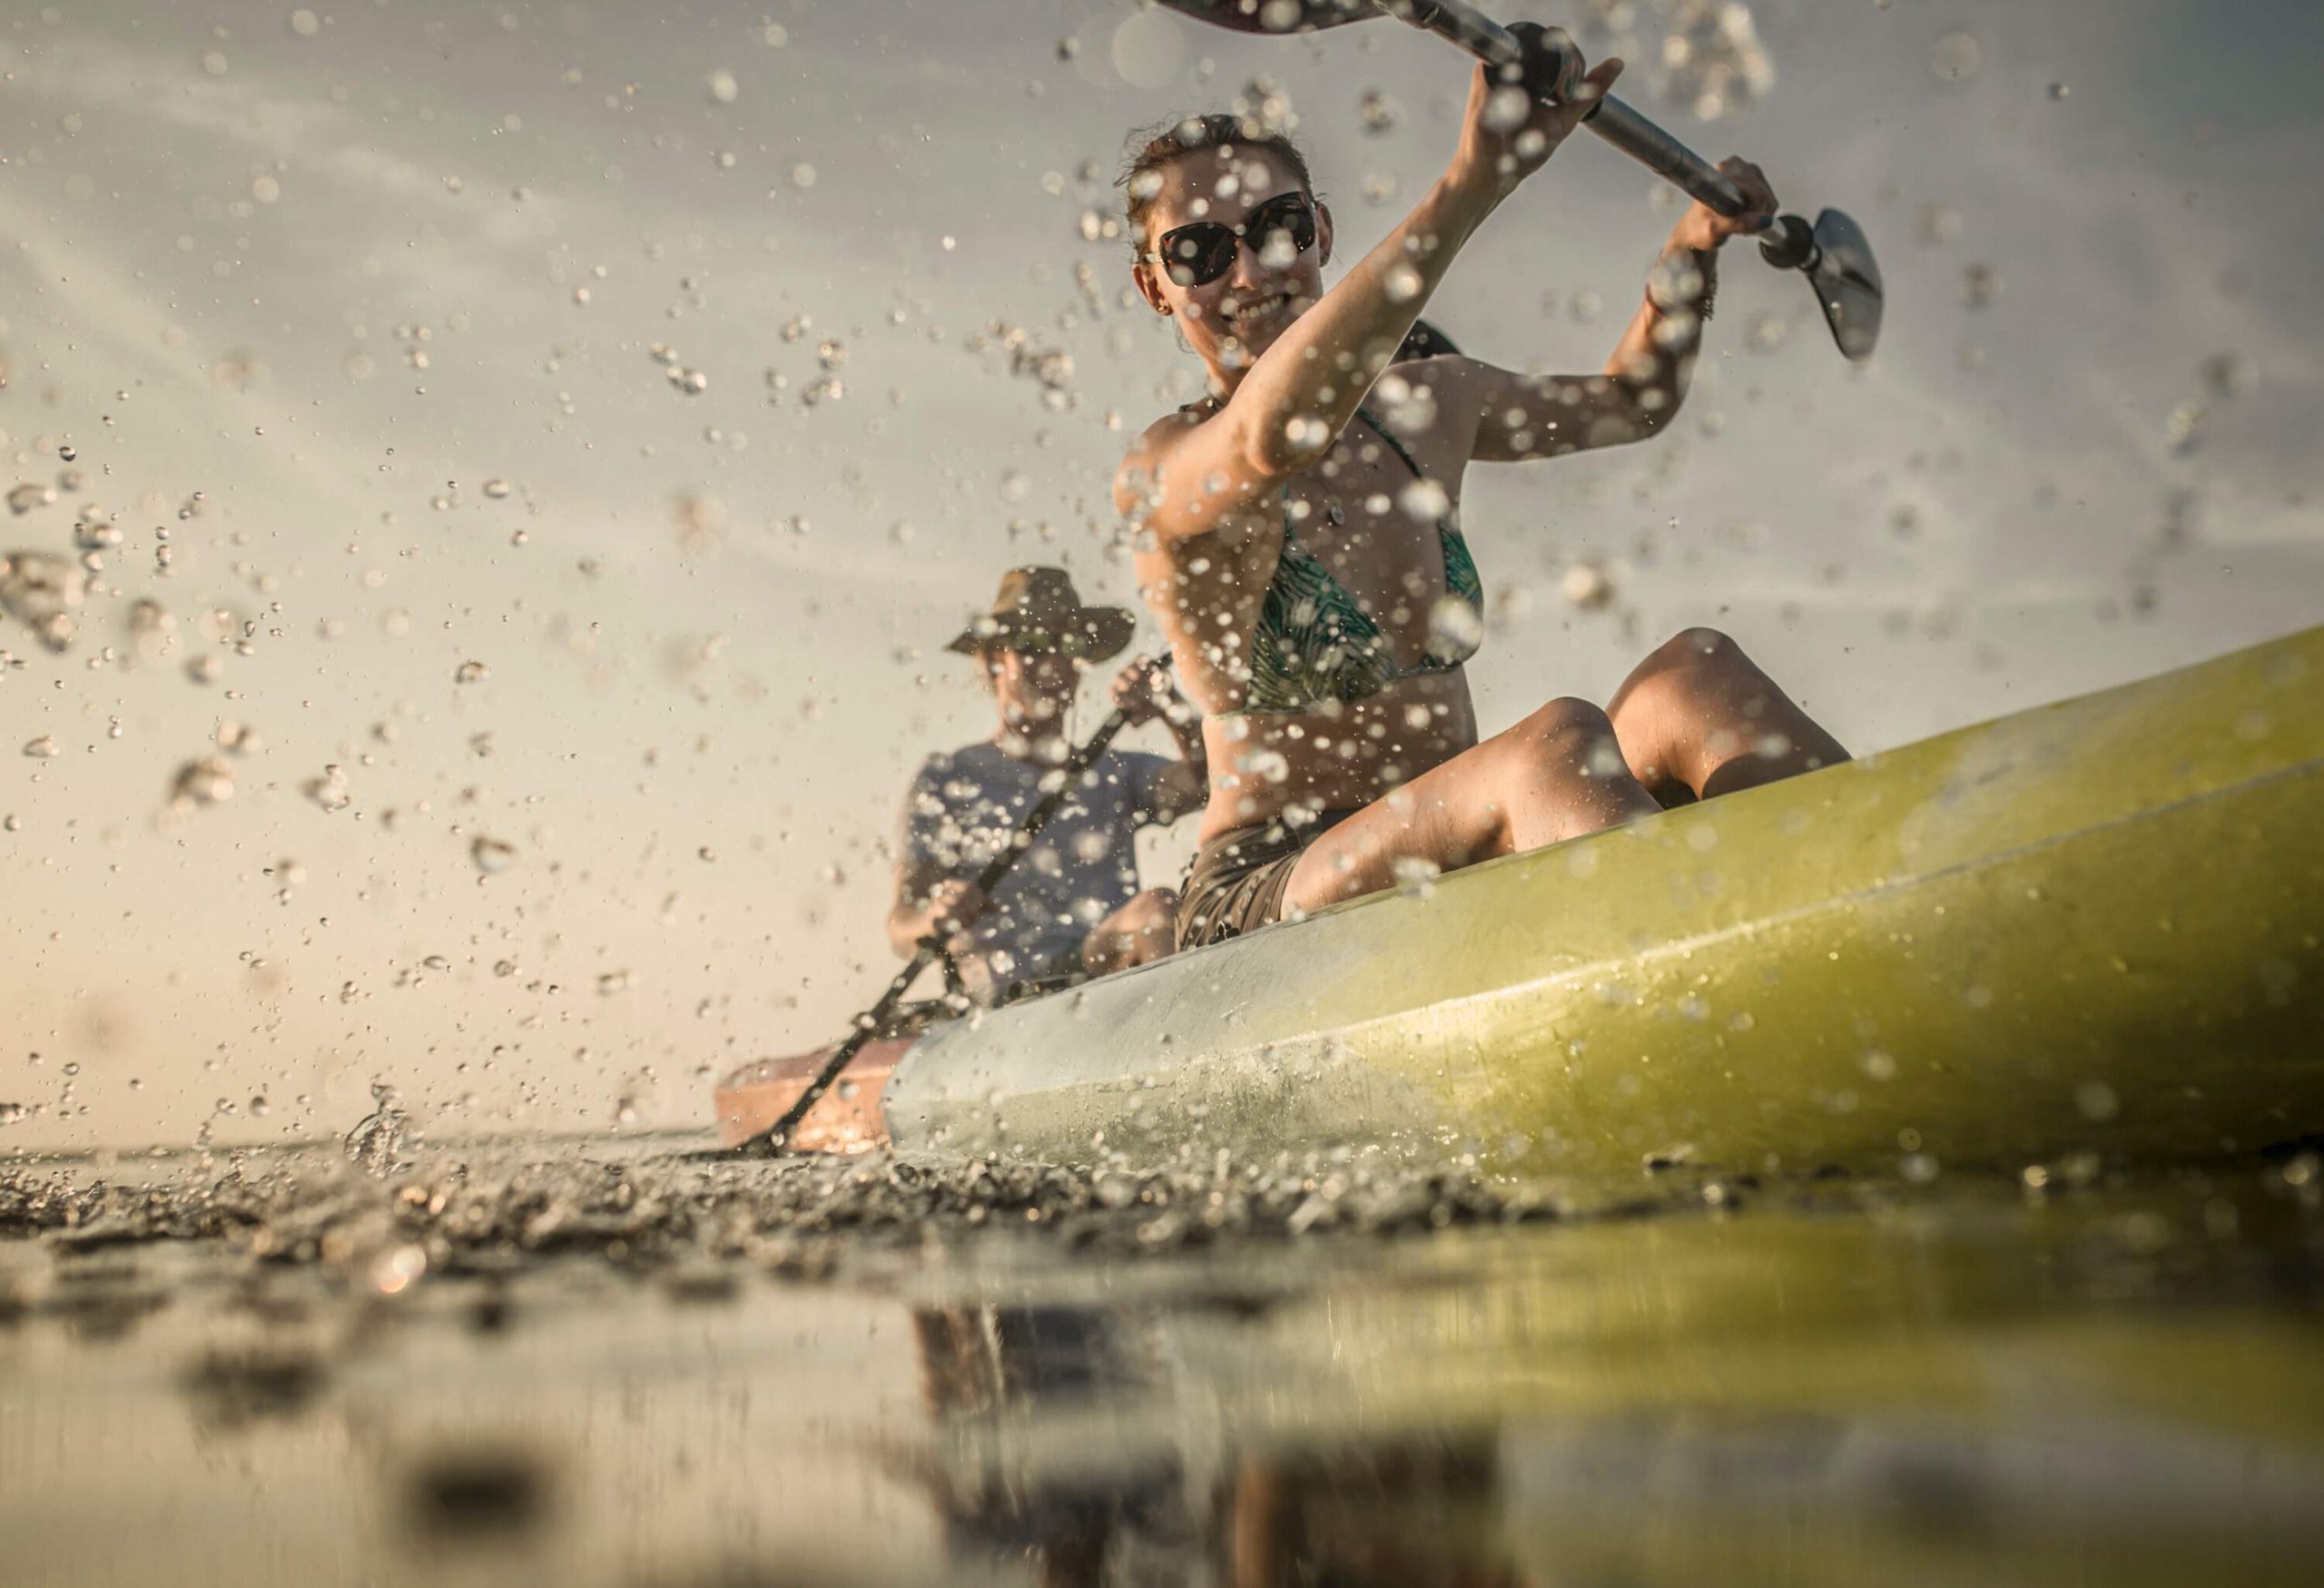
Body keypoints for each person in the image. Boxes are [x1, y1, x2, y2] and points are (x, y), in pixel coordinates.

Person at [1110, 34, 1849, 948]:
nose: (1252, 271)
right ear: (1156, 289)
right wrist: (1475, 181)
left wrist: (1693, 249)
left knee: (1698, 673)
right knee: (1557, 745)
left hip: (1456, 839)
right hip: (1266, 888)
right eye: (1198, 252)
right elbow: (1275, 431)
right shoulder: (1167, 470)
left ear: (1320, 234)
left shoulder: (1429, 403)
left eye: (1276, 227)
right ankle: (1738, 1011)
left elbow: (1632, 403)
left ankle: (1884, 927)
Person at [888, 566, 1207, 1004]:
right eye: (1033, 645)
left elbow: (1215, 783)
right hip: (1002, 1000)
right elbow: (901, 927)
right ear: (993, 659)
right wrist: (936, 916)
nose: (1054, 662)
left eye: (1068, 646)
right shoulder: (948, 777)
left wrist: (1171, 707)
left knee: (1167, 912)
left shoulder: (1115, 771)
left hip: (1107, 976)